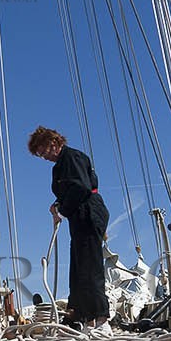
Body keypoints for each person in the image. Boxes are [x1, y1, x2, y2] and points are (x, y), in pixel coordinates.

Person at [28, 126, 110, 329]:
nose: (44, 157)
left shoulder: (72, 157)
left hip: (88, 212)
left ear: (53, 143)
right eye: (40, 155)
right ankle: (80, 315)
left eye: (44, 151)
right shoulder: (61, 165)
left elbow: (81, 187)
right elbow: (70, 190)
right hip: (79, 215)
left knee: (90, 265)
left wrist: (62, 211)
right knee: (79, 267)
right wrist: (58, 205)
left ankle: (100, 317)